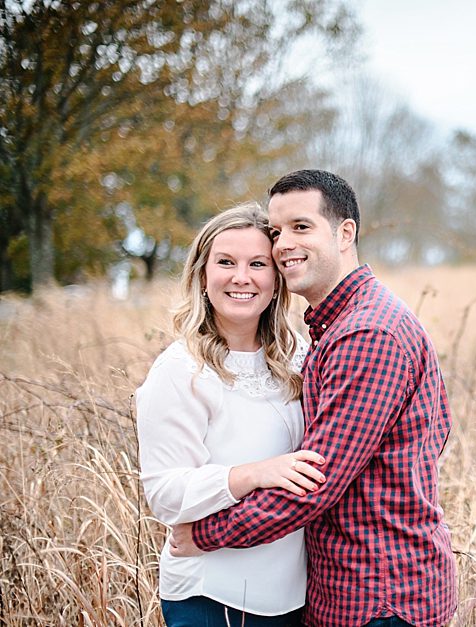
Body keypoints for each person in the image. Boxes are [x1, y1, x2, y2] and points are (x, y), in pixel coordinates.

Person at [170, 170, 458, 627]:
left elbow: (314, 483)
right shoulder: (332, 328)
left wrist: (203, 534)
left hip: (377, 597)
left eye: (301, 227)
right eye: (277, 231)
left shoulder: (367, 333)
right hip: (350, 589)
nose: (283, 243)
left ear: (346, 233)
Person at [136, 202, 328, 626]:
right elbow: (165, 494)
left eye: (258, 263)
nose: (242, 277)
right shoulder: (180, 370)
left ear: (277, 282)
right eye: (226, 262)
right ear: (203, 276)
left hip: (291, 594)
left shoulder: (299, 357)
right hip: (209, 594)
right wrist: (254, 473)